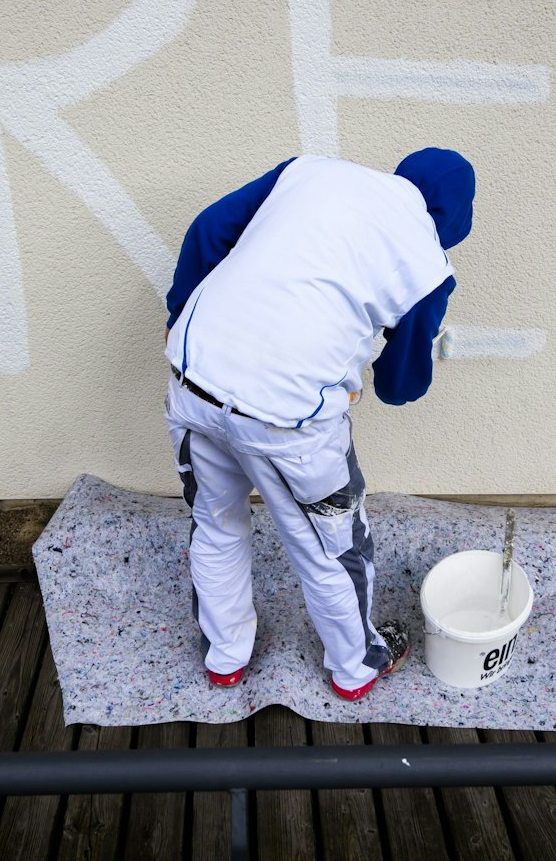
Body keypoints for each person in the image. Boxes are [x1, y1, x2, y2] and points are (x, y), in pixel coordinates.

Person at [162, 148, 474, 700]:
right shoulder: (428, 264)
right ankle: (355, 669)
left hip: (193, 379)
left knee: (214, 523)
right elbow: (400, 387)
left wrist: (186, 315)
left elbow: (208, 229)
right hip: (287, 422)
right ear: (451, 221)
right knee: (333, 550)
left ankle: (225, 658)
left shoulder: (306, 171)